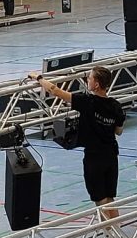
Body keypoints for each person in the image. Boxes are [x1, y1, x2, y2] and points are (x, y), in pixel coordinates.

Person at [28, 65, 125, 219]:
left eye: (89, 78)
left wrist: (38, 78)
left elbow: (55, 91)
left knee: (100, 200)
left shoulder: (87, 102)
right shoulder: (116, 105)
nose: (87, 80)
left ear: (96, 84)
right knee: (109, 198)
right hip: (111, 155)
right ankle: (115, 230)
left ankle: (108, 233)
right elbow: (118, 131)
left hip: (94, 157)